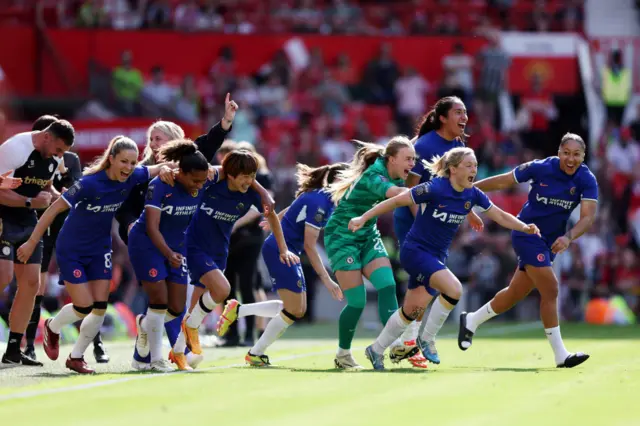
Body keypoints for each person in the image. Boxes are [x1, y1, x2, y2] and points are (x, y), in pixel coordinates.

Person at [347, 147, 540, 370]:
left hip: (437, 256)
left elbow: (499, 215)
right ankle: (427, 339)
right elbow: (398, 201)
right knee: (454, 289)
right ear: (453, 169)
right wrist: (364, 217)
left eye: (475, 165)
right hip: (416, 251)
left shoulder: (472, 194)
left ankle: (376, 349)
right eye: (469, 165)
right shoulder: (435, 188)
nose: (474, 170)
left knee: (411, 312)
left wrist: (524, 227)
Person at [17, 136, 173, 374]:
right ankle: (53, 325)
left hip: (100, 249)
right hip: (72, 249)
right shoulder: (89, 183)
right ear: (111, 159)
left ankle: (76, 357)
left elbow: (157, 168)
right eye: (123, 162)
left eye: (132, 163)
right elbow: (52, 211)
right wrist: (31, 242)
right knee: (83, 306)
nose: (128, 168)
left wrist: (166, 170)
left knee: (99, 306)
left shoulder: (134, 176)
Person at [458, 133, 598, 368]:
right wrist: (470, 190)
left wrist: (568, 237)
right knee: (551, 288)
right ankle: (561, 355)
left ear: (583, 156)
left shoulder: (586, 179)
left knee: (514, 294)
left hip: (551, 242)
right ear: (558, 152)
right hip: (526, 232)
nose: (571, 159)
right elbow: (504, 181)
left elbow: (588, 217)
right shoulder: (541, 167)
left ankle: (471, 320)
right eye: (566, 153)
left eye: (576, 154)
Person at [217, 163, 347, 366]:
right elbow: (310, 246)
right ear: (339, 180)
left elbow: (294, 207)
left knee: (296, 308)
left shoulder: (317, 194)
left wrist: (275, 219)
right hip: (282, 251)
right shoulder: (322, 202)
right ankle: (256, 352)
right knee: (294, 310)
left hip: (284, 249)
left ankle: (239, 311)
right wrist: (328, 280)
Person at [174, 150, 299, 359]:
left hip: (220, 250)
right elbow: (193, 177)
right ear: (230, 174)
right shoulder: (211, 182)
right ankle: (191, 329)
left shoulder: (250, 193)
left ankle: (179, 351)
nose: (249, 181)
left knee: (196, 308)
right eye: (245, 176)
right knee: (223, 289)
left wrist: (283, 248)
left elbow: (272, 217)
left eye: (253, 176)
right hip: (195, 246)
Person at [392, 96, 483, 368]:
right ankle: (410, 343)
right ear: (442, 117)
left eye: (466, 111)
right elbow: (411, 191)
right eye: (458, 112)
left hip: (435, 220)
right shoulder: (424, 145)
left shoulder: (458, 145)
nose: (464, 116)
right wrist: (422, 223)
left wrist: (469, 210)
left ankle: (406, 343)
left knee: (426, 285)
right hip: (413, 219)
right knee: (423, 283)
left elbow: (455, 186)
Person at [324, 136, 419, 370]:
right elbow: (396, 193)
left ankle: (395, 343)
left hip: (367, 234)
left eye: (414, 159)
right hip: (342, 235)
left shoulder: (390, 168)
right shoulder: (374, 176)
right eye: (408, 159)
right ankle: (343, 354)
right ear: (392, 159)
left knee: (387, 285)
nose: (412, 164)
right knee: (357, 301)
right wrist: (424, 193)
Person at [128, 140, 211, 372]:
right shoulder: (160, 185)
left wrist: (263, 193)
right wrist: (168, 253)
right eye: (194, 180)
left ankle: (145, 324)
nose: (199, 185)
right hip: (147, 244)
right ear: (180, 173)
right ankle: (156, 360)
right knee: (159, 302)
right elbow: (152, 228)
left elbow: (230, 170)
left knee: (176, 308)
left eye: (203, 180)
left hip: (176, 247)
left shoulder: (203, 178)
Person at [0, 118, 75, 366]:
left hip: (28, 222)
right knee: (3, 277)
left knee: (32, 283)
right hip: (4, 218)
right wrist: (30, 202)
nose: (60, 155)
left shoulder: (54, 158)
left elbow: (45, 185)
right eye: (59, 149)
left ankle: (13, 350)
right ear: (46, 137)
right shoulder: (15, 149)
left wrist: (58, 197)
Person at [219, 141, 274, 346]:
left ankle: (249, 333)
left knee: (248, 285)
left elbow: (261, 208)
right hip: (229, 239)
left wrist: (233, 223)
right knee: (228, 286)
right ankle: (231, 333)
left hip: (249, 238)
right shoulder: (227, 178)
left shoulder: (261, 177)